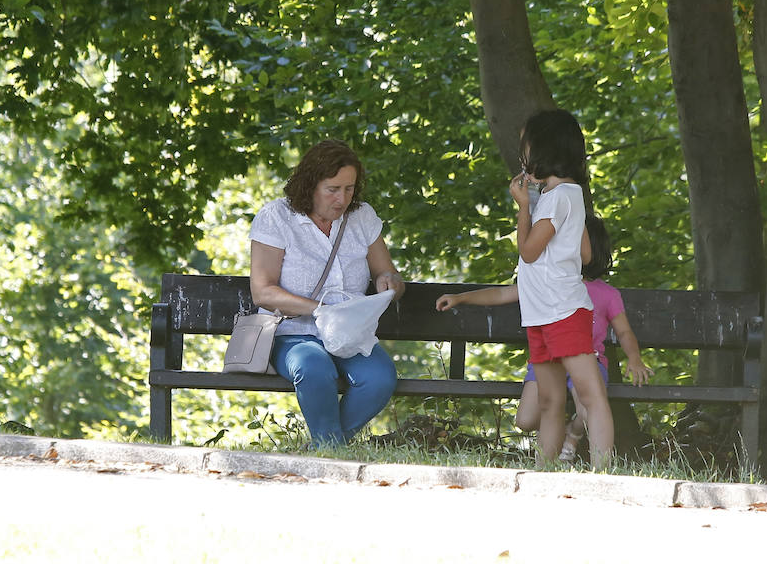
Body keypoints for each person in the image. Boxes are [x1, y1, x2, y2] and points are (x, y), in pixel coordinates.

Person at [436, 109, 613, 467]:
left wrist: (523, 209)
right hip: (544, 313)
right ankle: (543, 471)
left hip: (563, 311)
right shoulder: (569, 195)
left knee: (590, 396)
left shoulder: (558, 196)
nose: (523, 154)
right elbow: (584, 252)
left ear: (545, 149)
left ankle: (603, 473)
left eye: (526, 146)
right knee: (549, 401)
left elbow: (529, 252)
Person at [248, 139, 405, 447]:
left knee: (380, 378)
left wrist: (390, 282)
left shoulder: (361, 217)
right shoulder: (276, 218)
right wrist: (321, 309)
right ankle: (332, 452)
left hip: (349, 334)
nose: (342, 199)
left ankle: (325, 448)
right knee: (313, 367)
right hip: (292, 332)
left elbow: (386, 272)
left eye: (349, 189)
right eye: (332, 189)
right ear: (309, 185)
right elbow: (263, 292)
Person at [515, 214, 653, 461]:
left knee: (589, 412)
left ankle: (574, 434)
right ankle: (557, 431)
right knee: (525, 420)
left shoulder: (606, 294)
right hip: (549, 361)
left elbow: (624, 331)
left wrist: (635, 358)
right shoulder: (549, 283)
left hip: (589, 361)